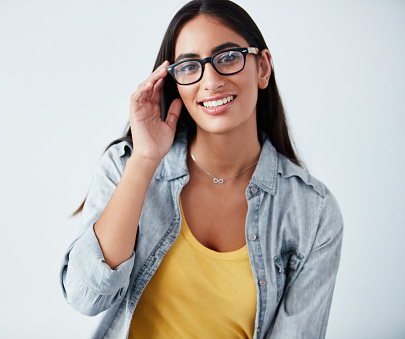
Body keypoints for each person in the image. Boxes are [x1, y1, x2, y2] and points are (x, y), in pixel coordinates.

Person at [61, 0, 343, 338]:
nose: (210, 81)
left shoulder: (313, 213)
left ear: (263, 67)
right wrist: (145, 160)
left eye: (227, 57)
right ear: (174, 80)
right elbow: (85, 297)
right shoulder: (126, 166)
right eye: (189, 66)